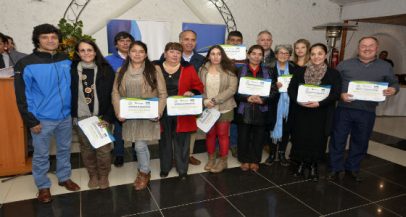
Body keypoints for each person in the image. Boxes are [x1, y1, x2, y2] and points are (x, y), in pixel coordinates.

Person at [14, 24, 80, 203]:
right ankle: (43, 186)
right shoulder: (26, 63)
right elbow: (22, 95)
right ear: (37, 40)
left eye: (53, 37)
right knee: (41, 154)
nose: (50, 41)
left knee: (65, 149)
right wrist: (31, 120)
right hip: (41, 119)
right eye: (45, 37)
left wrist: (73, 112)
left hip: (65, 116)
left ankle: (64, 177)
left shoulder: (66, 59)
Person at [328, 36, 399, 182]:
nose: (367, 48)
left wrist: (393, 89)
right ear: (358, 48)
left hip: (367, 111)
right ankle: (335, 168)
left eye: (370, 46)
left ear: (376, 47)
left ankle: (352, 168)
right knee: (338, 139)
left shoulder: (385, 66)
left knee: (361, 141)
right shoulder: (344, 64)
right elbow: (334, 83)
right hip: (344, 109)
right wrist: (340, 94)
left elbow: (394, 83)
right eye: (363, 46)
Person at [112, 41, 167, 190]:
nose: (137, 54)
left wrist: (159, 111)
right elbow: (115, 93)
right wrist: (118, 111)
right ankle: (144, 170)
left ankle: (144, 172)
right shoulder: (121, 71)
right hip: (129, 116)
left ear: (146, 54)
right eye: (134, 51)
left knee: (140, 146)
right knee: (137, 146)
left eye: (141, 51)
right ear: (129, 53)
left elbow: (162, 94)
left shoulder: (154, 69)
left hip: (147, 116)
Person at [288, 43, 341, 181]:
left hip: (321, 113)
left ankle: (313, 166)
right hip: (302, 111)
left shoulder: (333, 74)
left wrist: (319, 103)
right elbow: (291, 90)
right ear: (309, 56)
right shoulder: (300, 71)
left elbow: (335, 93)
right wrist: (298, 100)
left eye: (320, 53)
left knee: (317, 140)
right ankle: (300, 164)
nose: (316, 57)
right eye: (313, 54)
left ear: (325, 55)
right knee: (300, 138)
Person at [71, 39, 115, 189]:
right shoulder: (71, 70)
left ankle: (103, 175)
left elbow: (112, 96)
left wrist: (108, 118)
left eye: (89, 50)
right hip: (81, 118)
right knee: (87, 148)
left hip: (101, 116)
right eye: (82, 50)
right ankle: (92, 175)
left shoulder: (106, 70)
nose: (86, 53)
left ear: (95, 52)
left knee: (103, 149)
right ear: (77, 53)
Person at [155, 42, 204, 179]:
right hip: (162, 110)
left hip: (182, 111)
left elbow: (199, 86)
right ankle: (165, 167)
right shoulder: (156, 68)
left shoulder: (188, 69)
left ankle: (182, 169)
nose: (175, 55)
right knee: (164, 140)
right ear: (165, 54)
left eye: (178, 52)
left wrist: (192, 91)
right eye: (172, 51)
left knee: (182, 141)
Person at [236, 45, 278, 172]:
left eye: (259, 54)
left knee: (258, 137)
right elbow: (234, 89)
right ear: (248, 55)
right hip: (244, 109)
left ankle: (255, 160)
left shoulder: (268, 71)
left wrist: (263, 100)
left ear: (262, 56)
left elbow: (274, 89)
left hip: (261, 109)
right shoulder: (239, 70)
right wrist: (246, 98)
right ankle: (244, 160)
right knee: (243, 136)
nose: (256, 56)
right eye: (253, 53)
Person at [199, 45, 238, 173]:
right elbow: (199, 87)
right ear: (209, 56)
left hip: (224, 107)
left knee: (222, 135)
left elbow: (232, 89)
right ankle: (211, 158)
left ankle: (223, 160)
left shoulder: (229, 69)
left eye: (219, 54)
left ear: (223, 55)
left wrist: (215, 100)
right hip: (208, 107)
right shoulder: (202, 69)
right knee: (210, 134)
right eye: (213, 54)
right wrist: (205, 101)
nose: (216, 57)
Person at [105, 31, 136, 167]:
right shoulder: (108, 60)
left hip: (136, 99)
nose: (125, 43)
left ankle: (137, 152)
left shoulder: (137, 57)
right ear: (116, 44)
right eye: (121, 41)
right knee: (118, 129)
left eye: (128, 40)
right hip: (118, 99)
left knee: (136, 127)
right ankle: (119, 154)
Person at [266, 44, 296, 167]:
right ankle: (272, 154)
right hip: (274, 104)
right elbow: (265, 87)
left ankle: (282, 153)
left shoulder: (295, 69)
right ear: (276, 55)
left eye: (286, 53)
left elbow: (298, 86)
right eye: (280, 53)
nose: (283, 55)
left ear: (289, 55)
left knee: (286, 129)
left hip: (290, 104)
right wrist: (274, 86)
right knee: (272, 127)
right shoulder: (269, 69)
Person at [179, 30, 205, 165]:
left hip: (194, 99)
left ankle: (189, 154)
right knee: (175, 128)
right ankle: (175, 156)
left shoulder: (201, 59)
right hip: (176, 100)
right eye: (186, 39)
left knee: (191, 128)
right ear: (180, 41)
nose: (189, 42)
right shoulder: (172, 55)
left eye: (193, 40)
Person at [225, 30, 244, 158]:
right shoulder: (219, 57)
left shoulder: (245, 58)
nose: (235, 43)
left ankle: (234, 145)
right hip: (222, 95)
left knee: (235, 122)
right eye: (232, 40)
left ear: (242, 42)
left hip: (239, 96)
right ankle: (217, 147)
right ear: (227, 42)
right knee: (219, 122)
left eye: (238, 41)